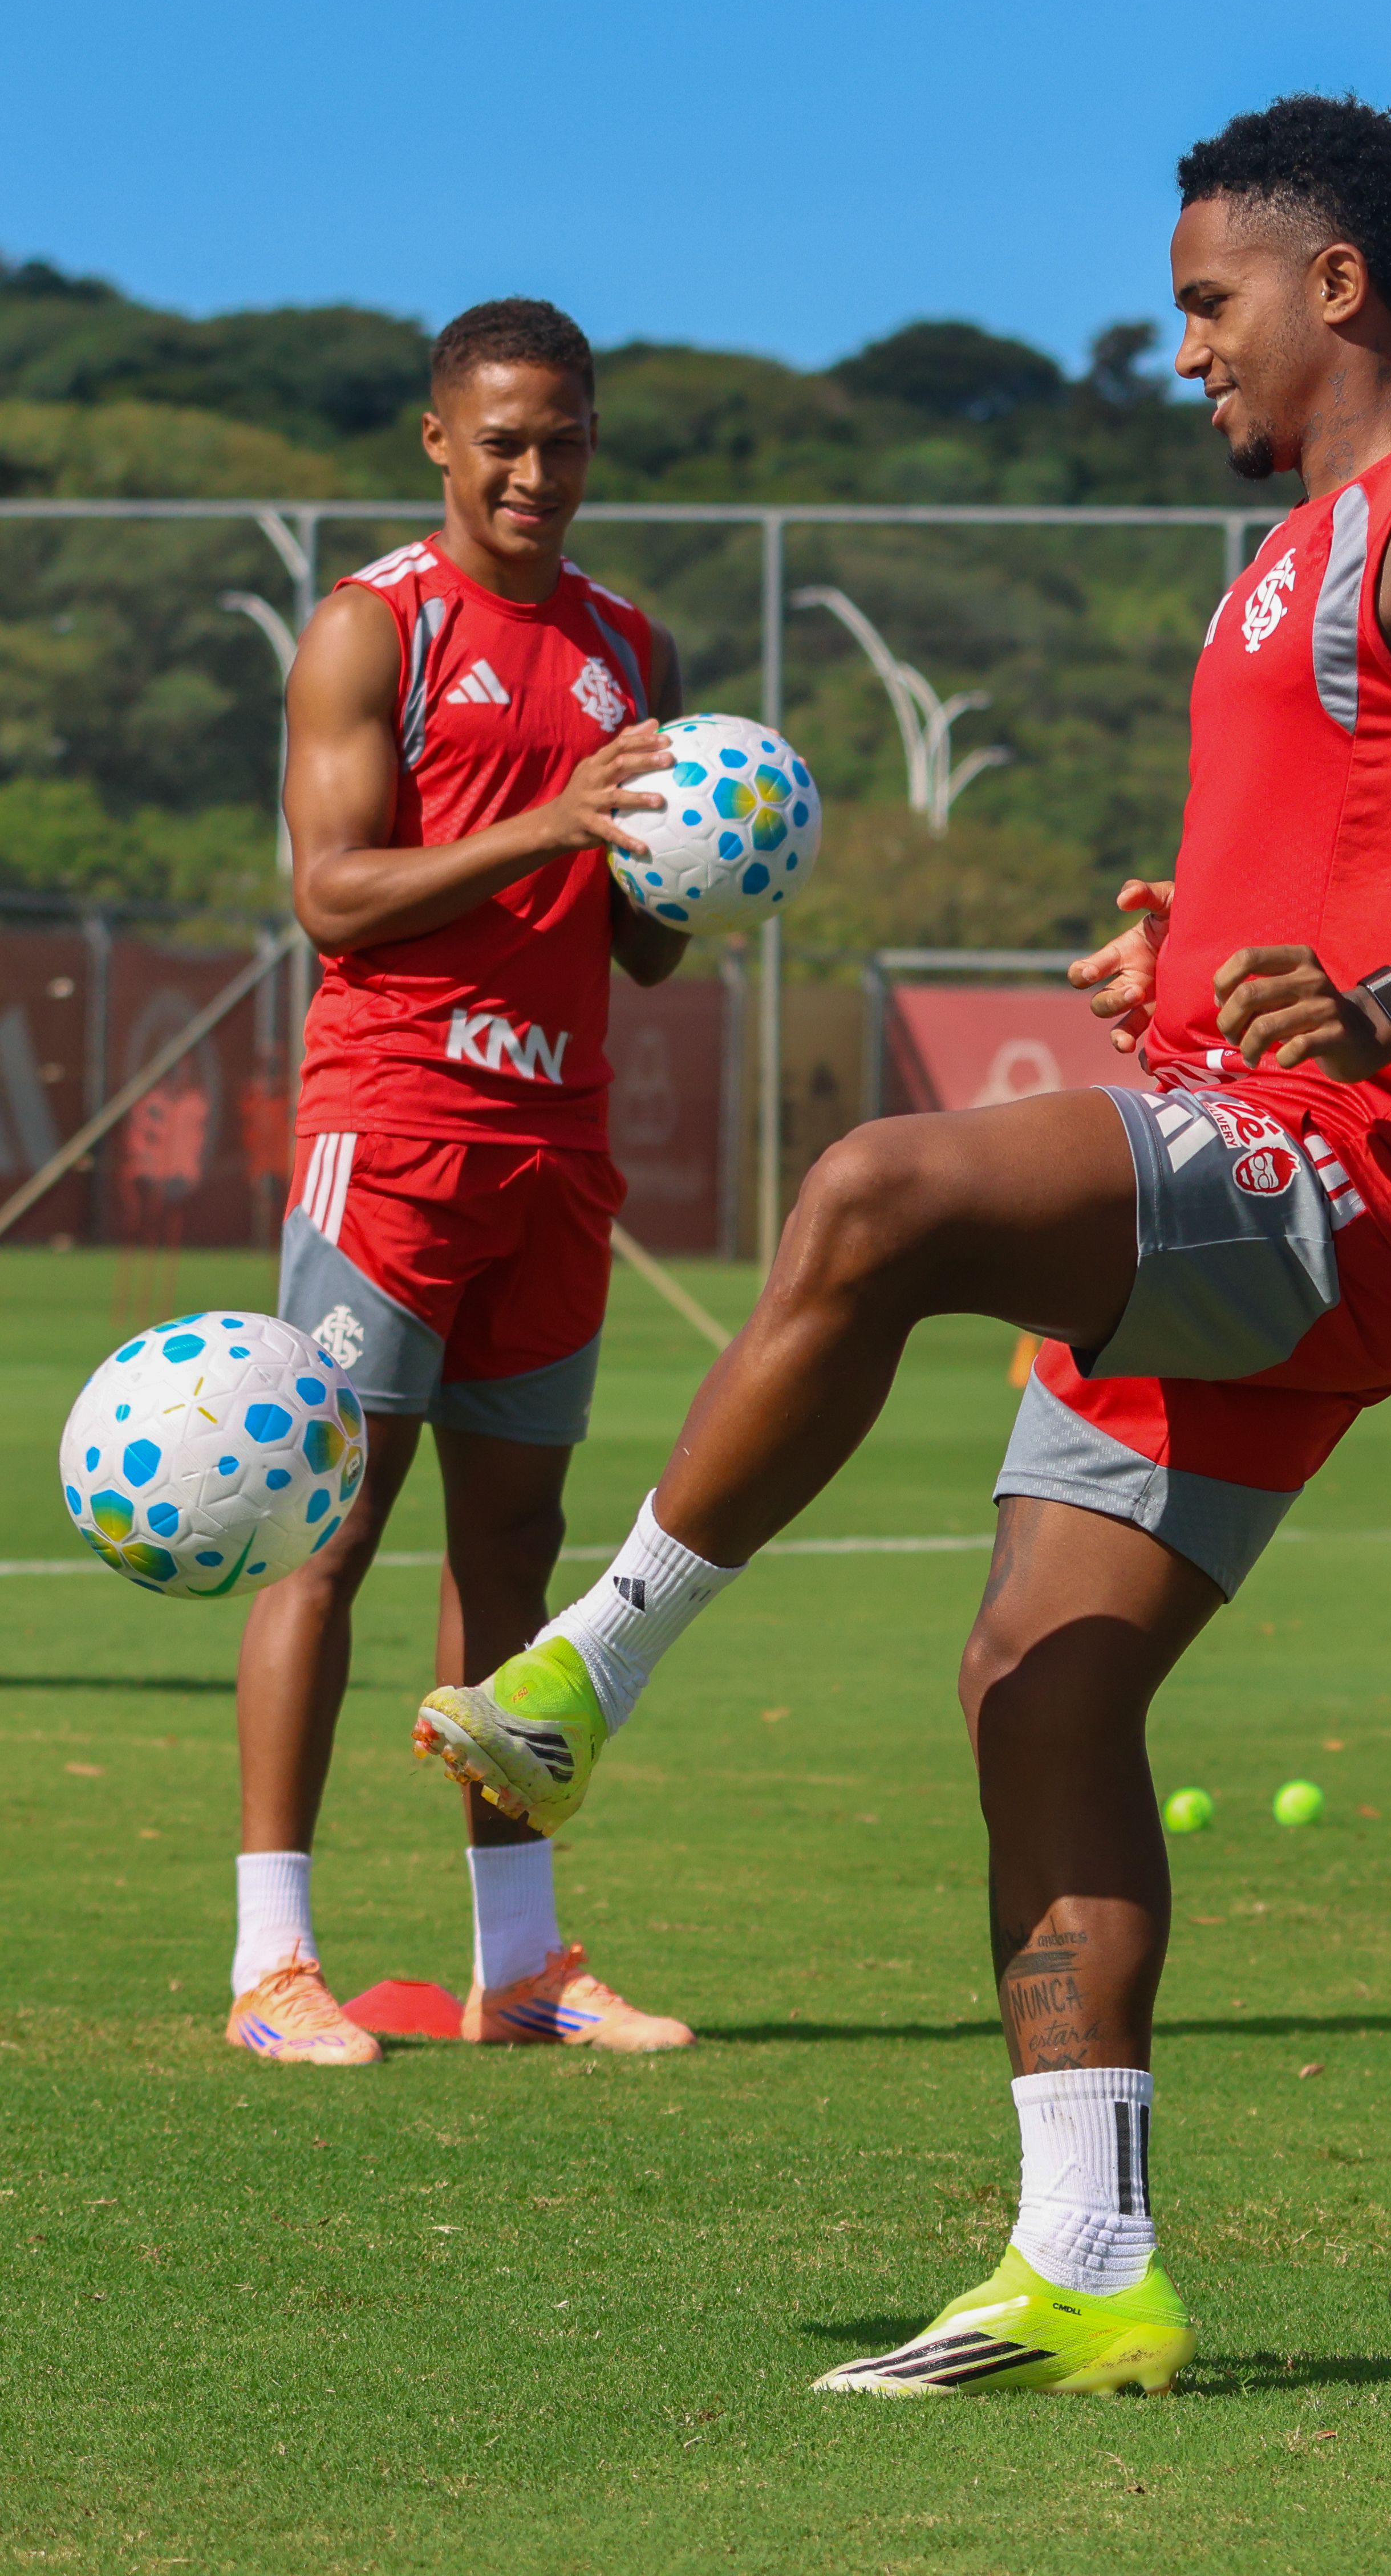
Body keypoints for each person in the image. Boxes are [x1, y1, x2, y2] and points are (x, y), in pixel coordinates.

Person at [413, 97, 1391, 2387]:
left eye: (1207, 302)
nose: (1181, 347)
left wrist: (1384, 1004)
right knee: (1035, 1685)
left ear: (1333, 287)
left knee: (874, 1191)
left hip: (1343, 1168)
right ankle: (1086, 2265)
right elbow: (1349, 854)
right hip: (1252, 1142)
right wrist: (1177, 956)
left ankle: (587, 1670)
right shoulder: (1291, 558)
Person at [226, 298, 698, 2066]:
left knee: (513, 1554)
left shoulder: (629, 646)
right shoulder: (377, 627)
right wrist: (550, 822)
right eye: (502, 440)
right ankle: (273, 1966)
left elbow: (641, 945)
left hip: (556, 1147)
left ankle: (518, 1966)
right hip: (395, 1130)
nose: (533, 472)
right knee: (327, 1536)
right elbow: (331, 896)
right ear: (439, 439)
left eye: (562, 440)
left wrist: (708, 860)